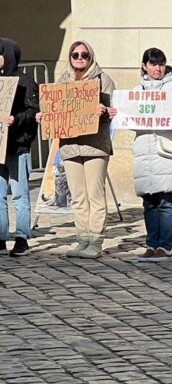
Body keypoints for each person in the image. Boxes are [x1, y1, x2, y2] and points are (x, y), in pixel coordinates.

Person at [37, 41, 116, 259]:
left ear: (91, 57)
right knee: (78, 196)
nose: (79, 58)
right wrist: (45, 116)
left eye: (84, 55)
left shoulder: (102, 80)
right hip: (70, 146)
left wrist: (103, 110)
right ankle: (82, 238)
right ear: (70, 57)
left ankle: (96, 241)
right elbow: (54, 108)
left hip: (94, 145)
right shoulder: (63, 80)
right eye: (75, 54)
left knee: (95, 194)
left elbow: (113, 112)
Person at [113, 48, 172, 263]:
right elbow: (129, 118)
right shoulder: (137, 90)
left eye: (161, 64)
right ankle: (151, 243)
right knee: (149, 202)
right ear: (144, 66)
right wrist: (118, 115)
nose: (157, 68)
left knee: (165, 200)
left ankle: (164, 246)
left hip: (165, 151)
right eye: (153, 64)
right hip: (144, 151)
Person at [0, 39, 39, 257]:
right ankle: (0, 236)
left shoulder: (25, 82)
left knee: (19, 194)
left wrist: (15, 119)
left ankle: (22, 237)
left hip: (18, 146)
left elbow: (33, 112)